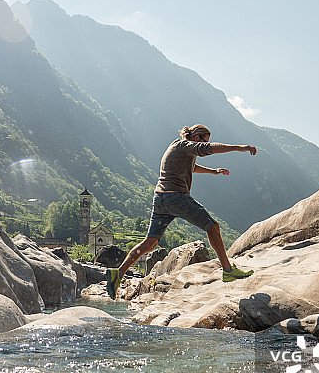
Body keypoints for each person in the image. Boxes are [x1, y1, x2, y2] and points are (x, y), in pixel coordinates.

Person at [106, 124, 257, 300]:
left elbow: (191, 166)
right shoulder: (184, 145)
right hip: (176, 198)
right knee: (213, 227)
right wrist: (241, 148)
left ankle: (118, 274)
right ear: (196, 137)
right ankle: (228, 270)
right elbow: (209, 149)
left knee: (150, 242)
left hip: (160, 199)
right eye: (203, 140)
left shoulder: (177, 148)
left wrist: (213, 171)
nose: (204, 143)